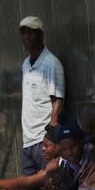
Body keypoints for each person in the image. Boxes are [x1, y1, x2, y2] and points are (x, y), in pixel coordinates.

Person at [19, 16, 65, 175]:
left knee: (53, 186)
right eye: (23, 33)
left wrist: (50, 137)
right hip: (27, 140)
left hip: (43, 140)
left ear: (41, 35)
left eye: (30, 33)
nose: (26, 37)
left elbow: (58, 103)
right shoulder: (26, 64)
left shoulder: (52, 63)